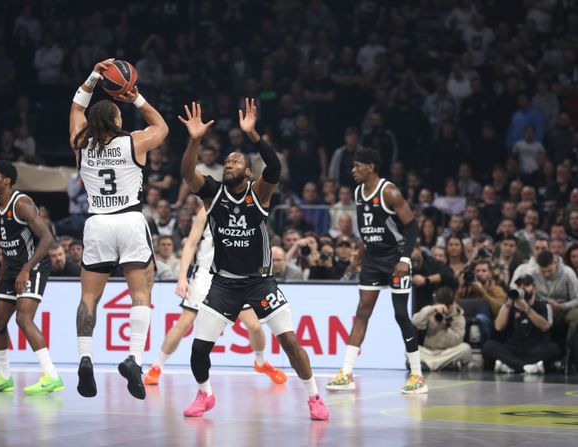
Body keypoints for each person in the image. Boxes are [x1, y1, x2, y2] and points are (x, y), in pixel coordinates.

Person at [179, 99, 328, 420]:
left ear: (248, 171)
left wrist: (254, 136)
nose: (229, 163)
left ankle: (315, 396)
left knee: (290, 342)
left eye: (236, 161)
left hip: (260, 282)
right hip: (224, 284)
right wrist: (194, 141)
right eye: (226, 161)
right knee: (198, 349)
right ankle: (205, 394)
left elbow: (275, 169)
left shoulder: (259, 193)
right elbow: (187, 173)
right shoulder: (212, 193)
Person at [69, 59, 168, 399]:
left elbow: (76, 107)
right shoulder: (133, 142)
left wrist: (93, 76)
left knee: (88, 297)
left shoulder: (80, 144)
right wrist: (135, 97)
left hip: (97, 222)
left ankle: (85, 358)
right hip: (129, 220)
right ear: (115, 119)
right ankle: (134, 359)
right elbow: (161, 127)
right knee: (141, 294)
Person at [144, 205, 286, 386]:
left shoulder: (249, 208)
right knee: (185, 322)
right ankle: (157, 366)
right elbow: (191, 244)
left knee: (255, 326)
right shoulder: (207, 208)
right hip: (205, 274)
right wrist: (182, 277)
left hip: (236, 276)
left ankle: (260, 362)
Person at [327, 147, 425, 394]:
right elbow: (367, 232)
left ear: (370, 167)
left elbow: (412, 226)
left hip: (395, 259)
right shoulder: (359, 193)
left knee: (401, 314)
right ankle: (346, 373)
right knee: (362, 312)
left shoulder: (389, 191)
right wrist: (357, 259)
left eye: (357, 166)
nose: (353, 170)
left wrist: (405, 259)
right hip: (372, 259)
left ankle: (417, 375)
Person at [0, 161, 63, 394]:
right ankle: (4, 377)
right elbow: (7, 247)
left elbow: (47, 238)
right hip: (12, 268)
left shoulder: (22, 204)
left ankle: (52, 376)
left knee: (23, 318)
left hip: (34, 265)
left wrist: (26, 269)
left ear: (6, 180)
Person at [483, 275, 560, 374]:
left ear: (534, 288)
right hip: (512, 348)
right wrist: (508, 304)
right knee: (488, 346)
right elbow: (498, 327)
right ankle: (527, 367)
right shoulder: (507, 306)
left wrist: (526, 309)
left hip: (535, 348)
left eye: (526, 285)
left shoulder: (544, 306)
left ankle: (511, 365)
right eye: (519, 285)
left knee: (554, 348)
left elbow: (545, 327)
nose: (522, 288)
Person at [411, 287, 472, 371]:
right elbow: (414, 322)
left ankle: (430, 365)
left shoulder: (459, 317)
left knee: (466, 348)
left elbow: (457, 341)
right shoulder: (431, 311)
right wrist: (431, 309)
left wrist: (446, 328)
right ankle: (444, 365)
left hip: (448, 353)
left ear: (451, 305)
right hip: (429, 352)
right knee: (408, 349)